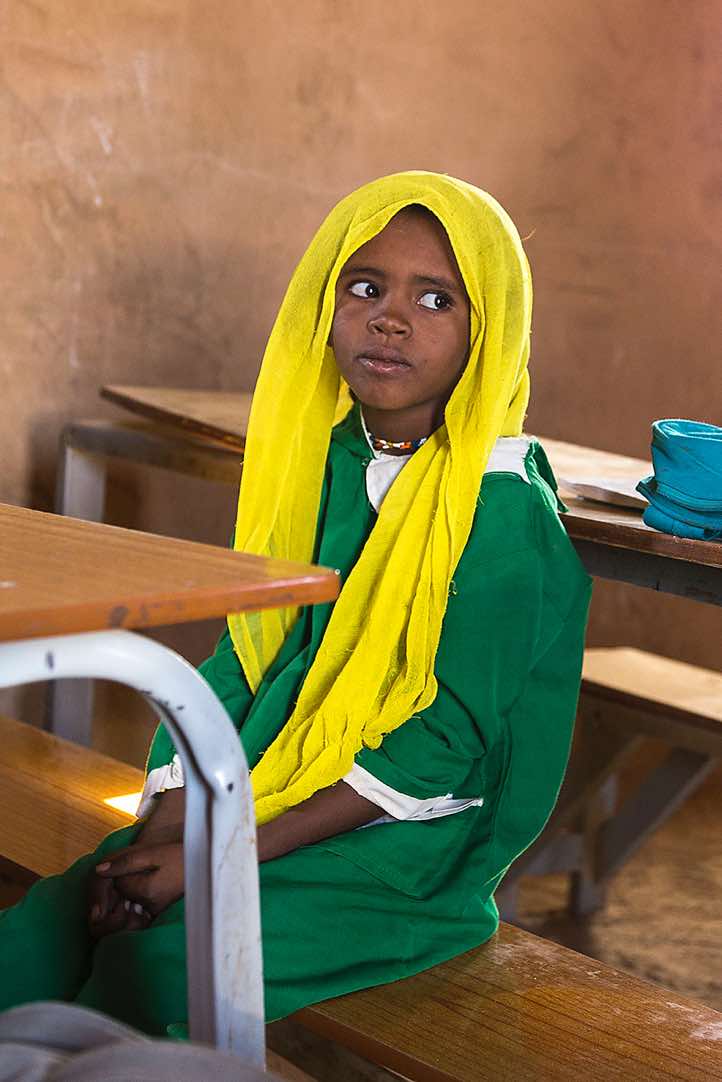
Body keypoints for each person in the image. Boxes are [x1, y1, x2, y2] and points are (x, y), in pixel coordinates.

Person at [0, 171, 591, 1035]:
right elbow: (247, 658)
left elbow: (439, 752)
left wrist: (213, 859)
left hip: (405, 857)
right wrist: (168, 835)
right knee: (47, 927)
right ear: (323, 302)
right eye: (364, 287)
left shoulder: (501, 516)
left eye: (437, 299)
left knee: (164, 968)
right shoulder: (325, 467)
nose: (390, 318)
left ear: (490, 331)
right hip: (271, 790)